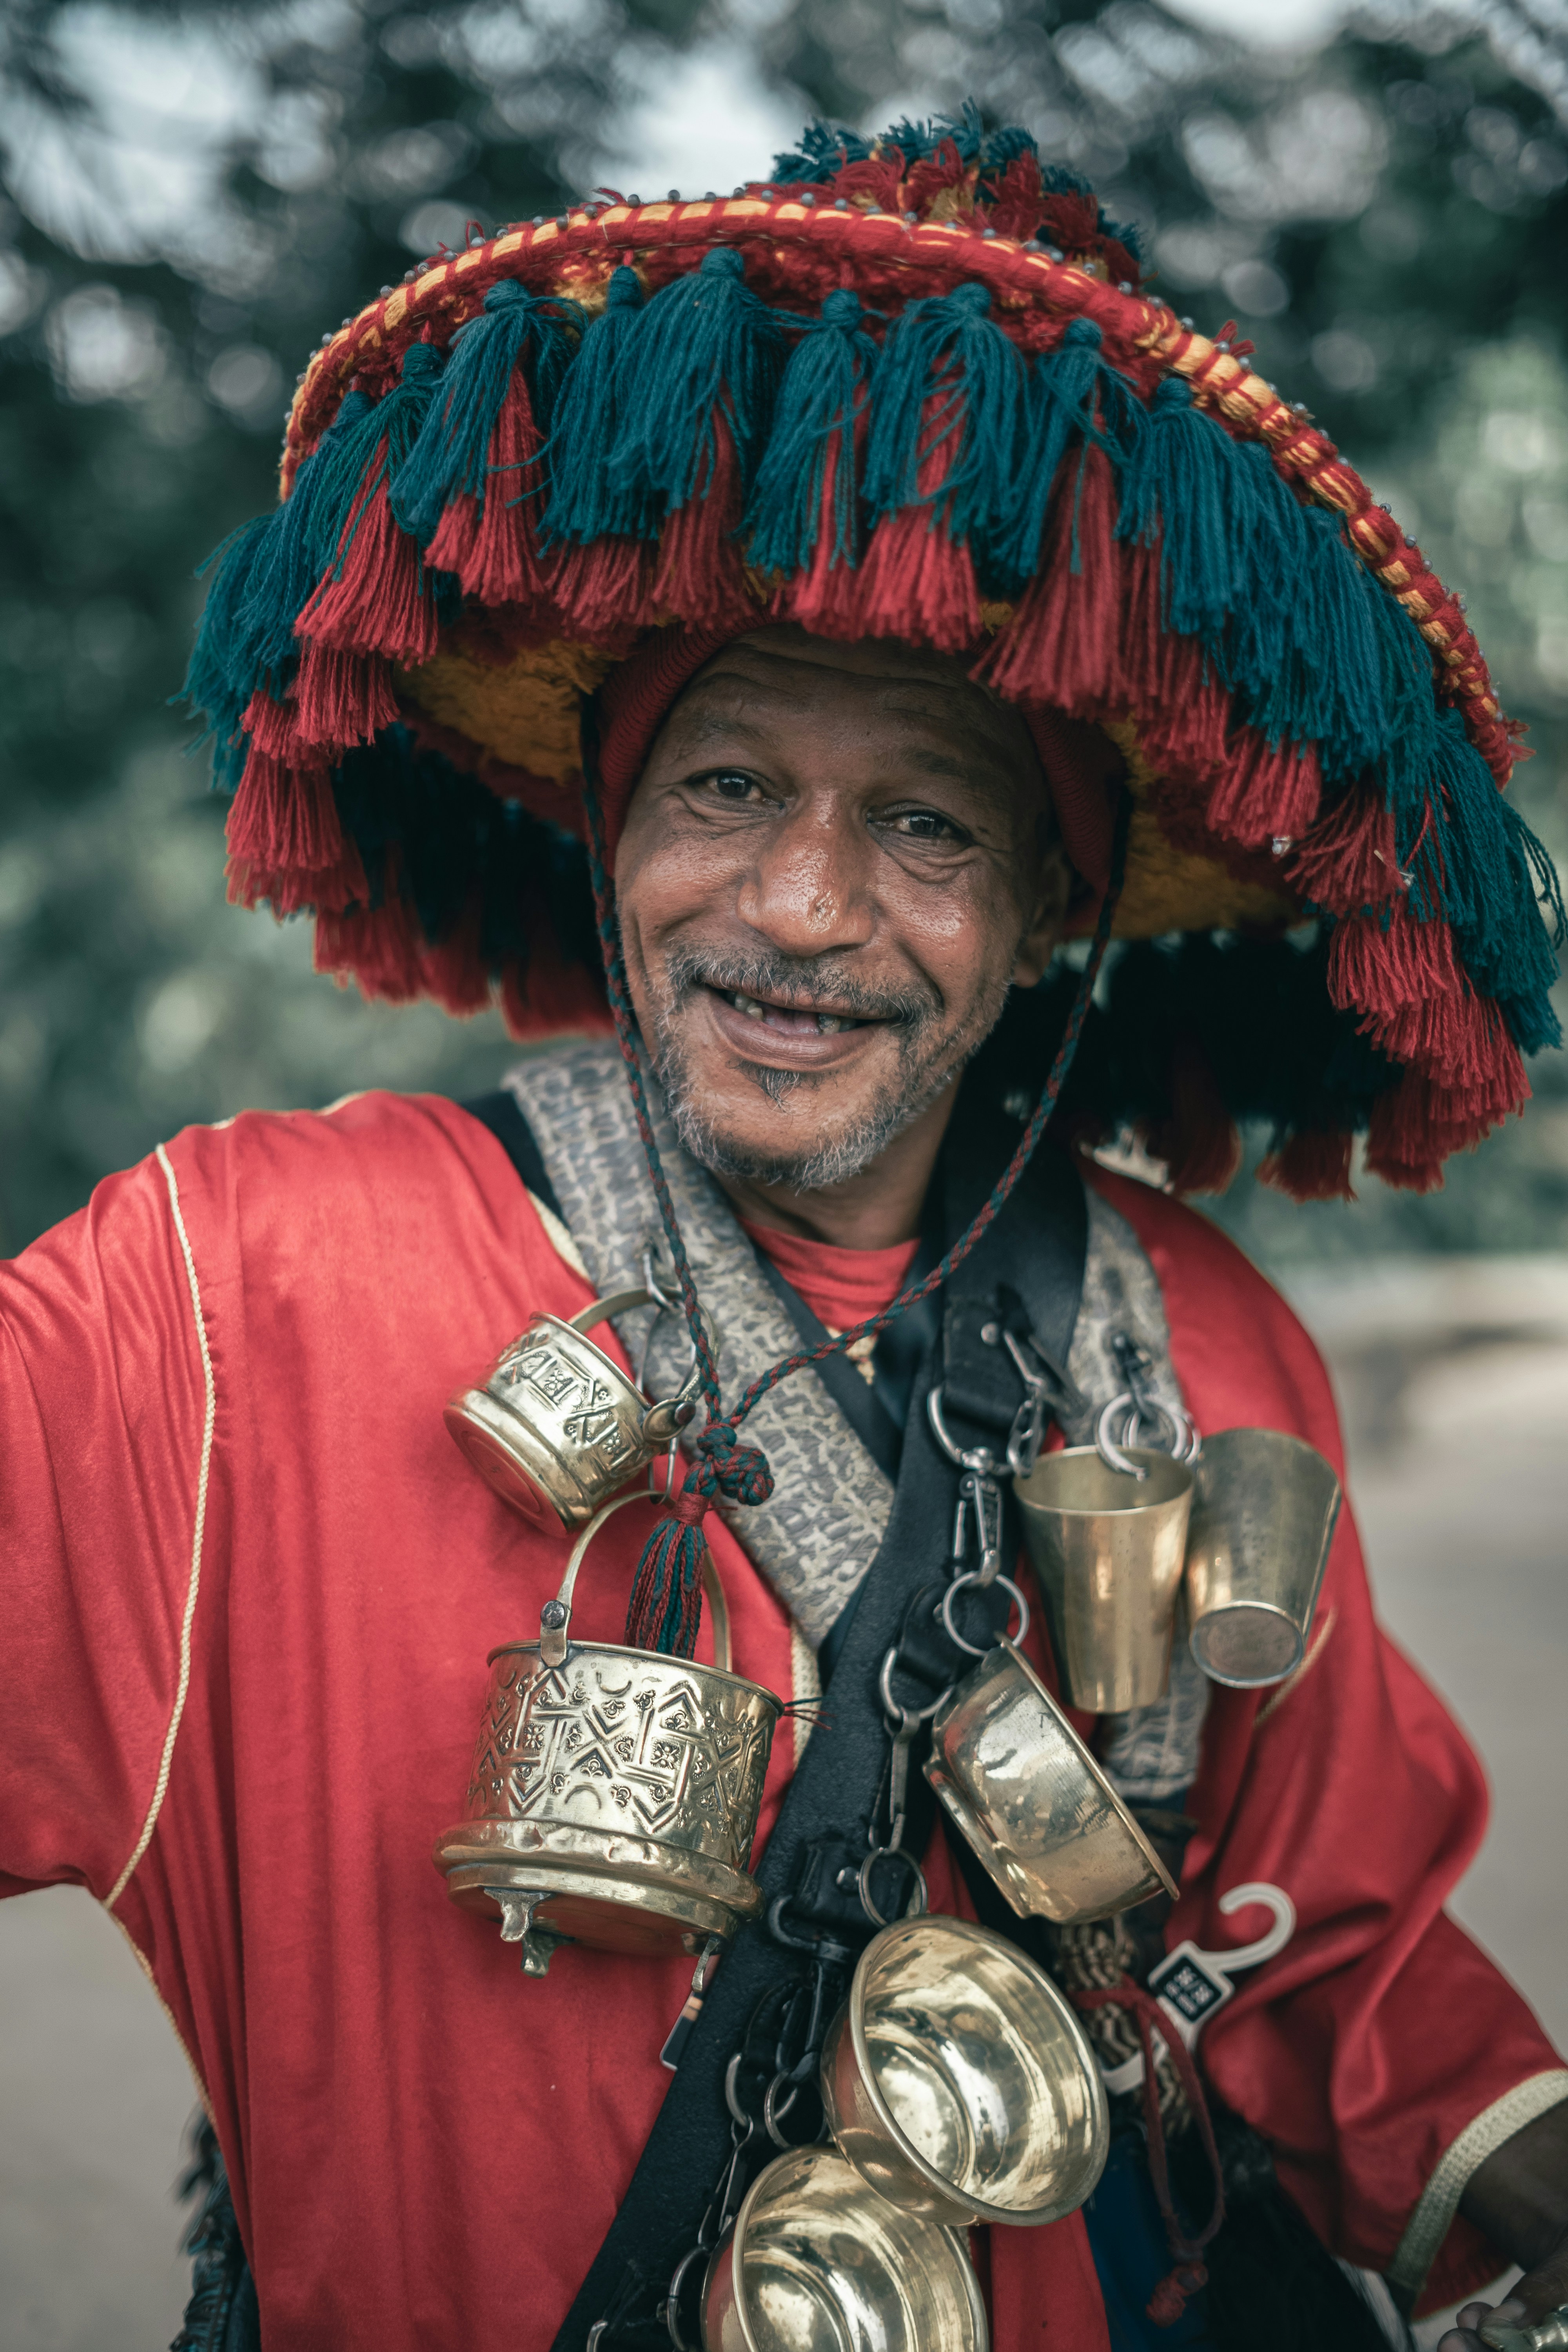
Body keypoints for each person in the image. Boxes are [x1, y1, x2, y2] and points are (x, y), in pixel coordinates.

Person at [4, 110, 1566, 2352]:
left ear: (1043, 918)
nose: (805, 908)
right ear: (613, 826)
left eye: (927, 821)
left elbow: (1319, 1961)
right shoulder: (231, 1295)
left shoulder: (1199, 1339)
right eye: (728, 785)